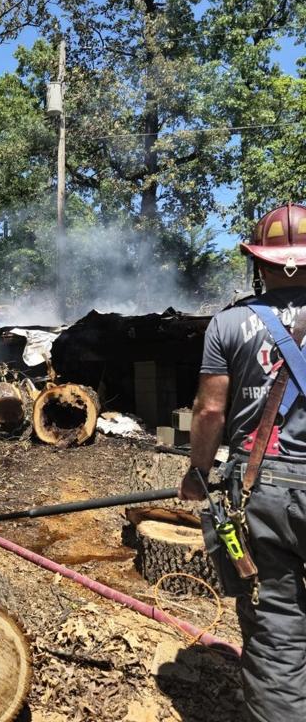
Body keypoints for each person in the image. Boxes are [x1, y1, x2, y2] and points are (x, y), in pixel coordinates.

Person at [179, 203, 306, 722]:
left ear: (258, 261)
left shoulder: (230, 324)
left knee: (277, 625)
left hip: (265, 489)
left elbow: (210, 409)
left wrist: (197, 474)